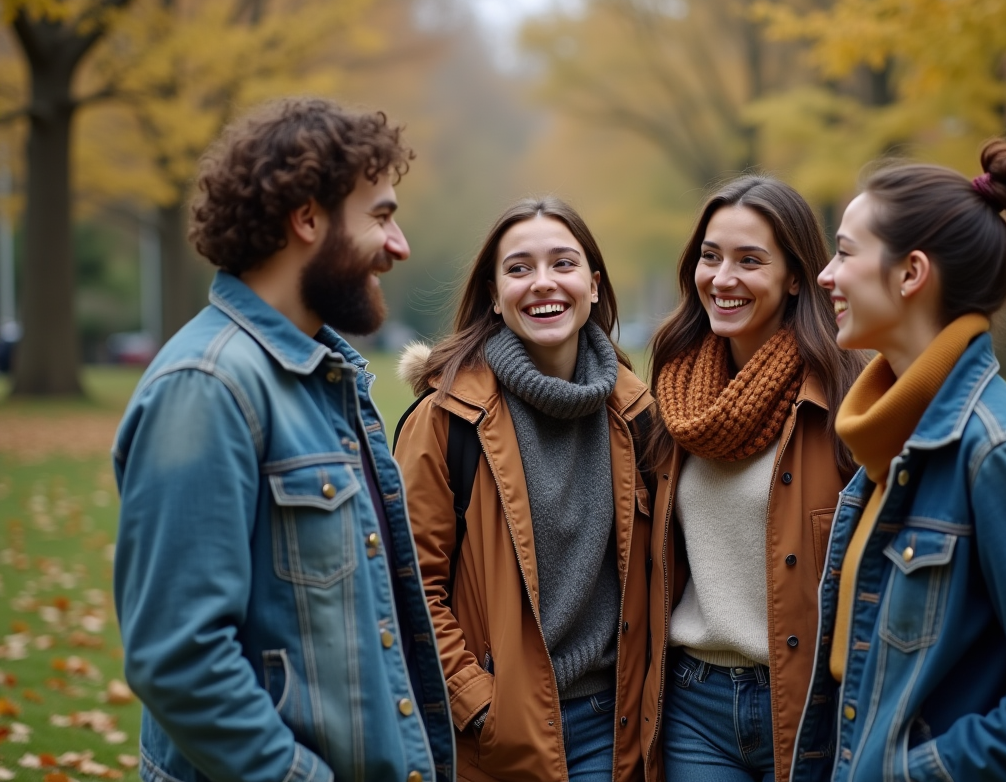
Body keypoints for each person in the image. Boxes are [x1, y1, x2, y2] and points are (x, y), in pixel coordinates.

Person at [112, 97, 455, 782]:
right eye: (382, 216)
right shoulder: (208, 385)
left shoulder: (321, 375)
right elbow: (180, 659)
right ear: (307, 219)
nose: (399, 245)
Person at [791, 141, 1006, 782]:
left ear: (911, 273)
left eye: (845, 252)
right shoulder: (891, 441)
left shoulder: (994, 454)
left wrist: (922, 774)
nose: (826, 275)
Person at [393, 197, 655, 782]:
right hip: (499, 738)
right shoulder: (445, 419)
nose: (543, 284)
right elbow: (406, 583)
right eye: (518, 269)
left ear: (593, 285)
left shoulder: (639, 417)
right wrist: (479, 706)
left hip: (618, 734)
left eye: (563, 264)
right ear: (493, 293)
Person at [642, 176, 866, 782]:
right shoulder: (671, 397)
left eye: (749, 260)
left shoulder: (847, 399)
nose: (722, 278)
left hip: (813, 701)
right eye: (710, 257)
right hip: (697, 704)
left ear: (796, 276)